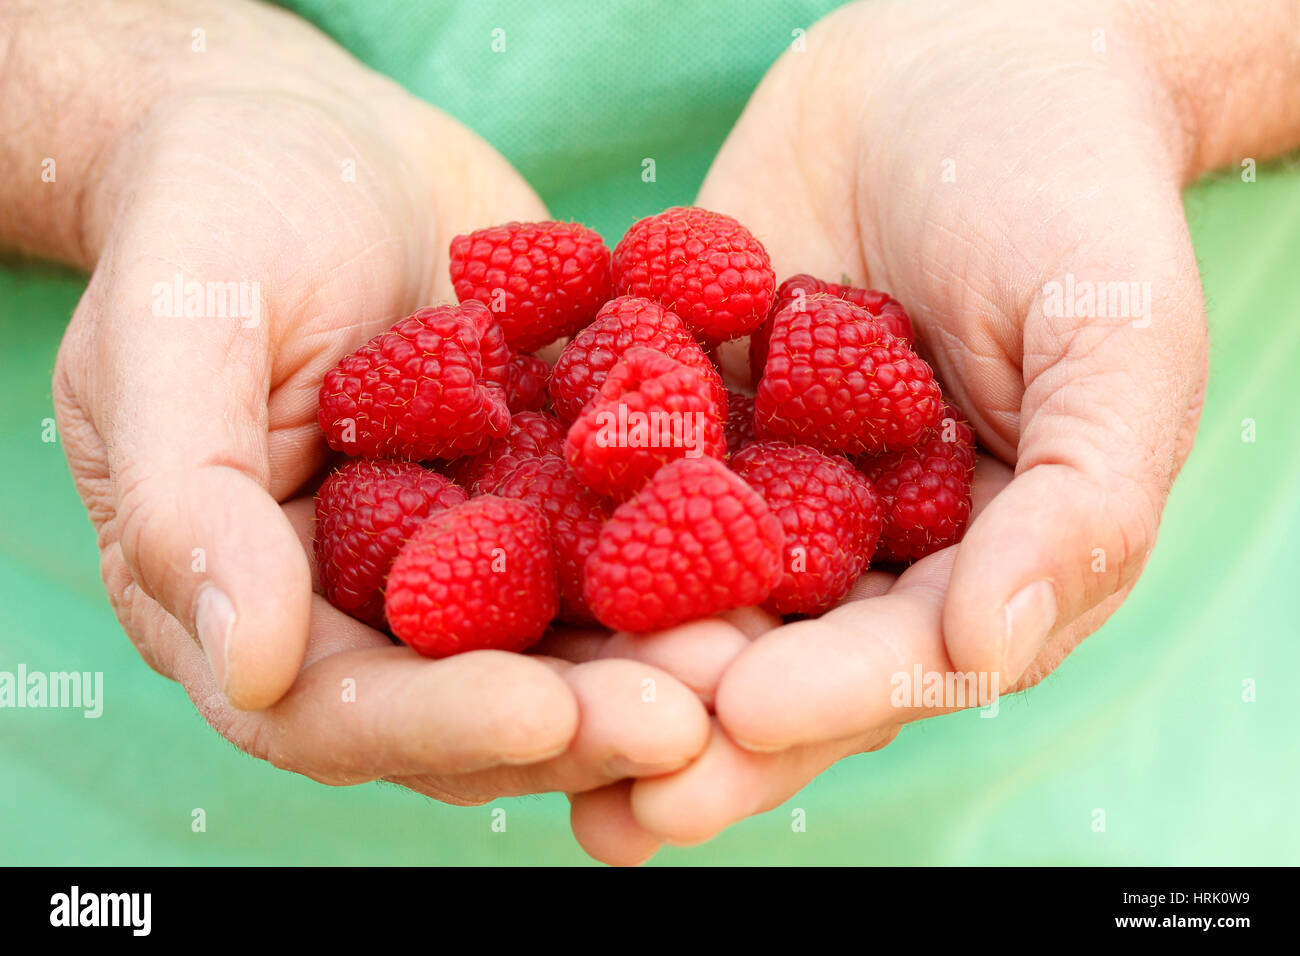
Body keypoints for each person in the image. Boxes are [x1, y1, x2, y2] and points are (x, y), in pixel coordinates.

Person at [2, 0, 1296, 866]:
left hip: (1112, 799)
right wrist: (133, 112)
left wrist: (1107, 48)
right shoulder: (513, 440)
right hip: (125, 809)